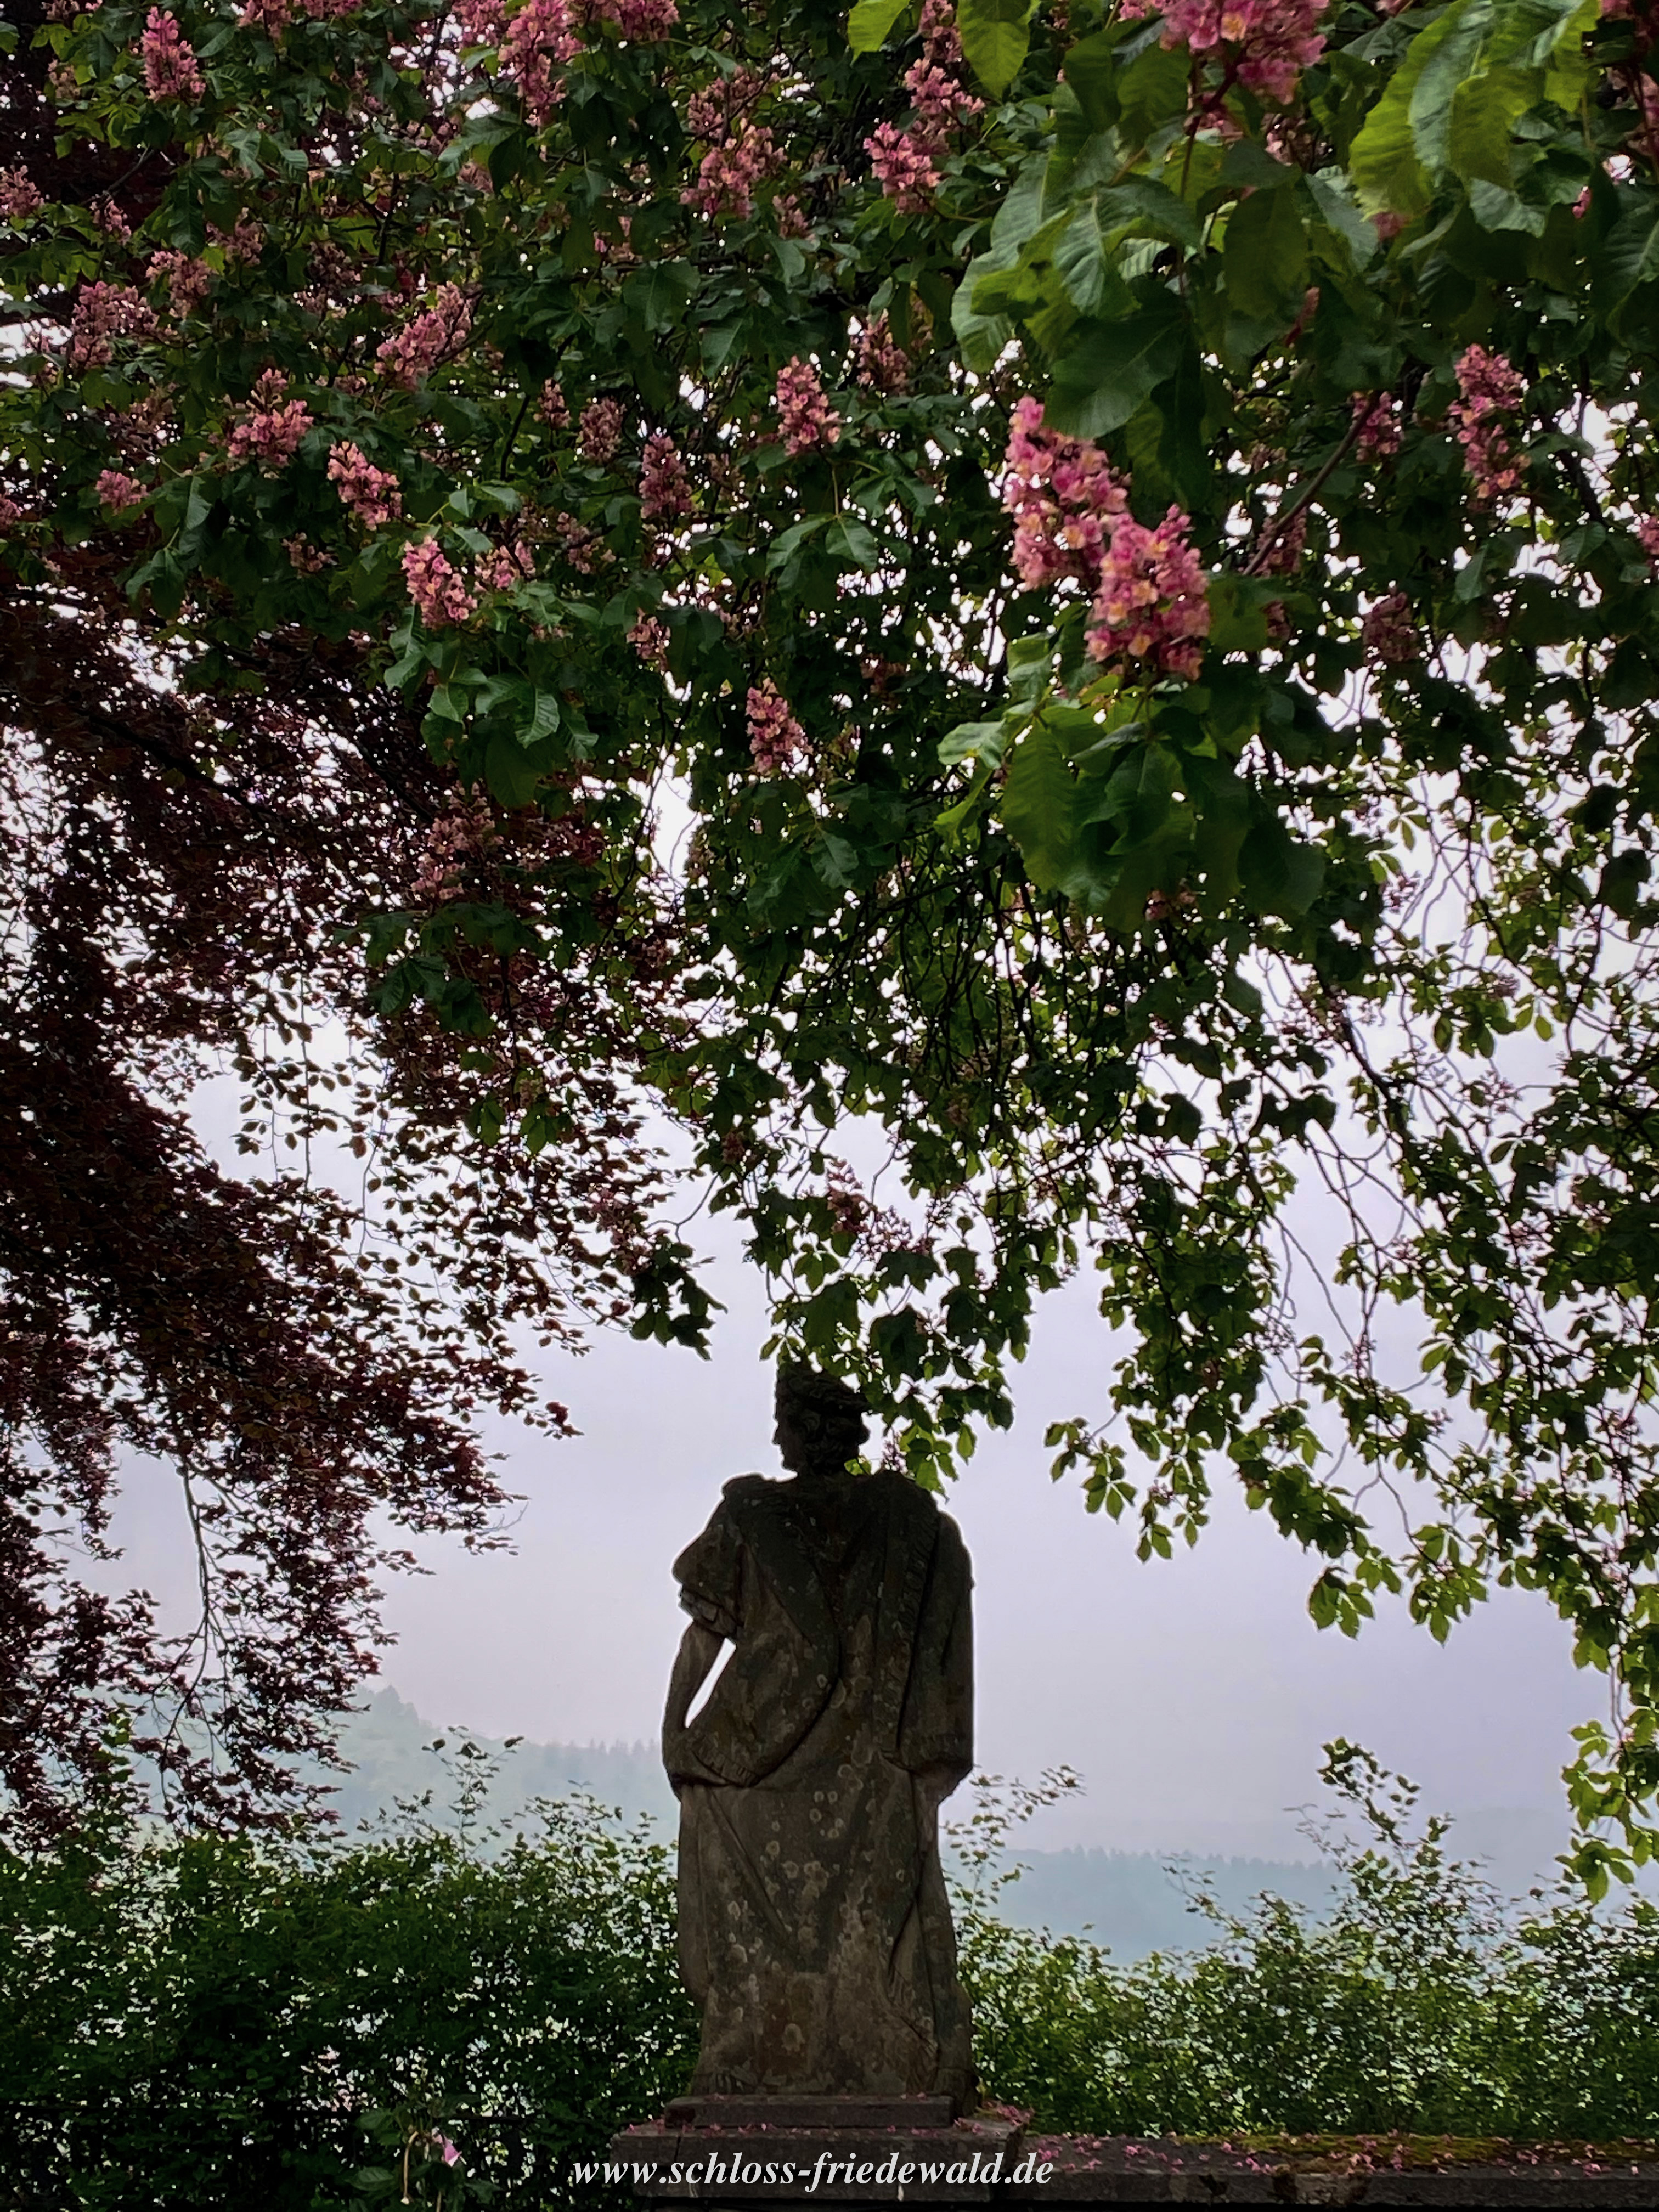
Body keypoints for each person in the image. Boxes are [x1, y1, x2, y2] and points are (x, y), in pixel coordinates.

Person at [662, 1364, 974, 2106]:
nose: (776, 1435)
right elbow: (943, 1637)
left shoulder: (750, 1512)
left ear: (811, 1429)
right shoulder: (913, 1523)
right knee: (869, 1915)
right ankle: (882, 2064)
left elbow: (705, 1633)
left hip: (758, 1752)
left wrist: (675, 1728)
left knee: (754, 1890)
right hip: (872, 1761)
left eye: (786, 1421)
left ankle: (757, 2055)